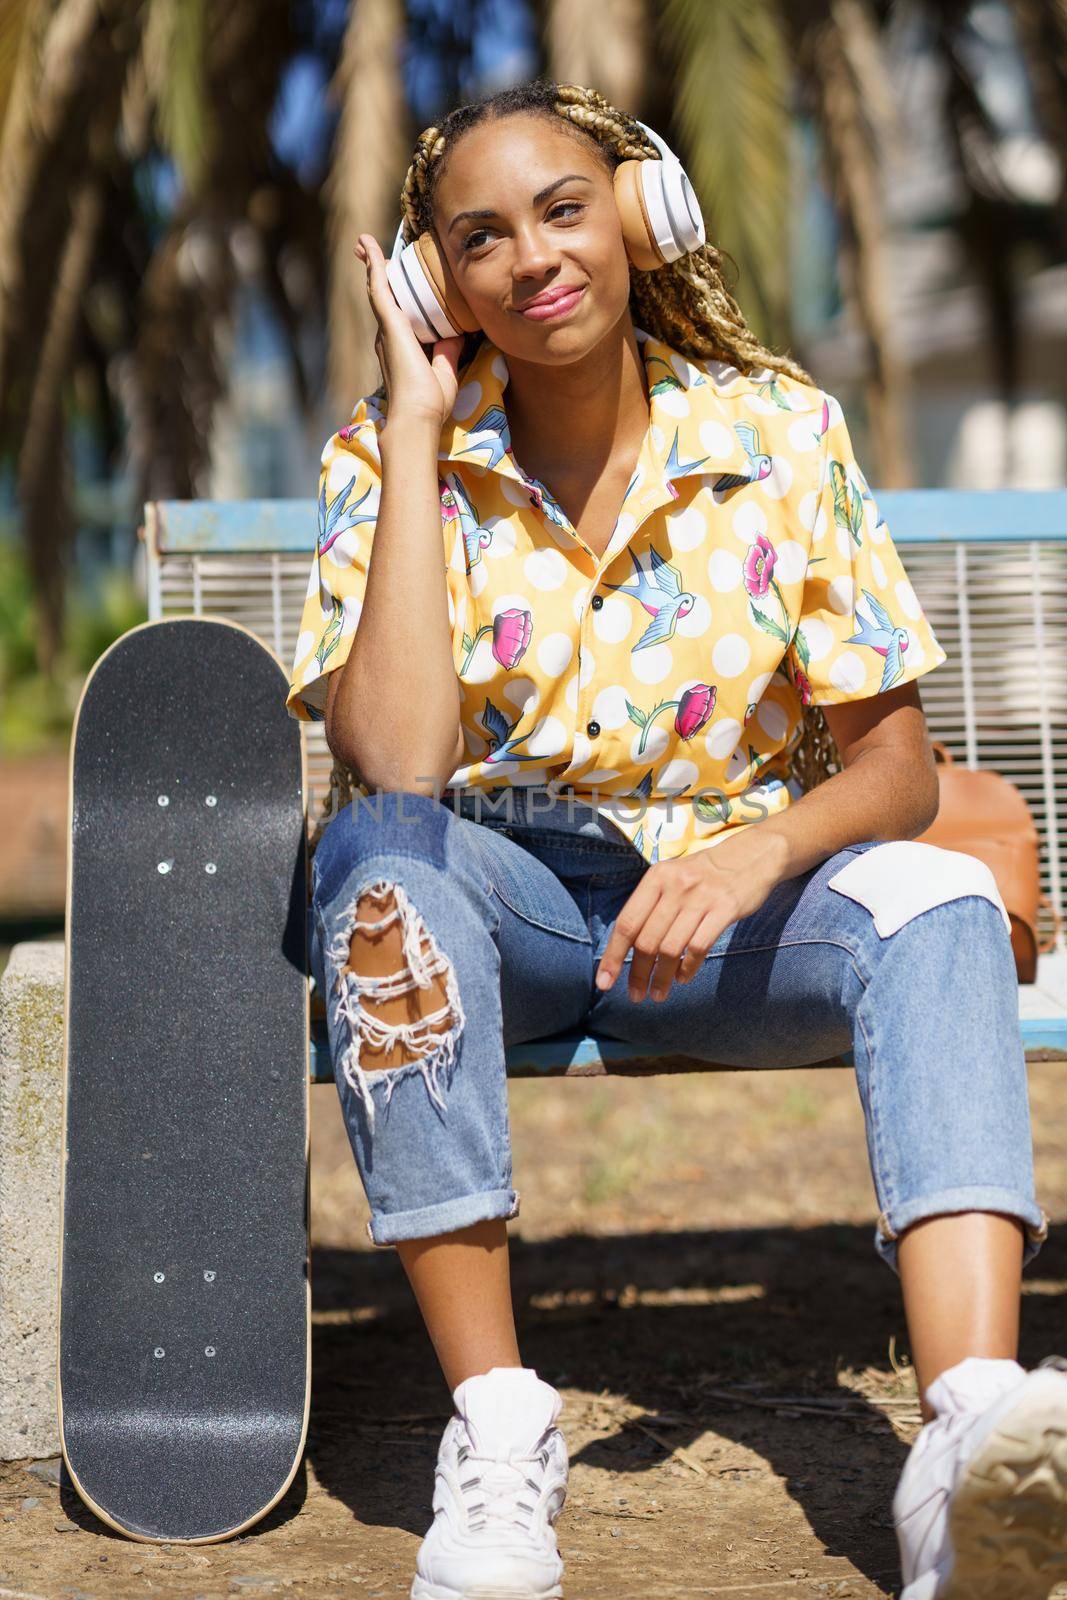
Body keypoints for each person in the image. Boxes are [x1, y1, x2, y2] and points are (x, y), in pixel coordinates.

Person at [286, 78, 1067, 1600]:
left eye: (565, 209)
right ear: (439, 279)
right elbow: (396, 763)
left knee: (934, 898)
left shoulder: (778, 432)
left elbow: (896, 774)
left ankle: (967, 1441)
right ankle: (500, 1432)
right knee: (384, 870)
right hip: (492, 902)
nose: (533, 259)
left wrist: (753, 854)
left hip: (728, 916)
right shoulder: (391, 457)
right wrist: (427, 433)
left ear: (643, 214)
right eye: (481, 238)